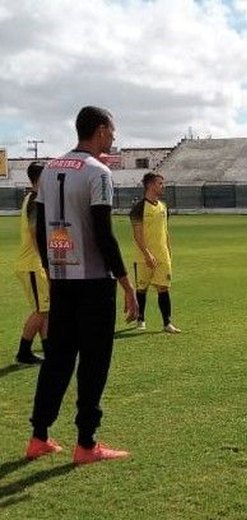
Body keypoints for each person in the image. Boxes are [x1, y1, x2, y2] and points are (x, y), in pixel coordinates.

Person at [26, 106, 139, 464]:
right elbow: (104, 234)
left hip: (62, 282)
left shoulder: (50, 169)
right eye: (112, 130)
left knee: (57, 360)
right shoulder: (98, 172)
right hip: (93, 283)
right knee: (94, 362)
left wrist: (52, 269)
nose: (115, 137)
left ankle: (38, 436)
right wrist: (126, 282)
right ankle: (86, 444)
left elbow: (41, 229)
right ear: (101, 130)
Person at [130, 172, 181, 333]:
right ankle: (141, 319)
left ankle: (167, 323)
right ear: (150, 185)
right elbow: (137, 235)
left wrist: (169, 251)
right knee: (142, 288)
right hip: (143, 257)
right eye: (160, 183)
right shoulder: (138, 208)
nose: (162, 186)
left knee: (163, 288)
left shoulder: (164, 207)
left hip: (162, 255)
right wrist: (147, 254)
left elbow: (165, 232)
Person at [13, 162, 49, 365]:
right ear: (40, 178)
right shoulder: (35, 199)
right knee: (41, 310)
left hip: (34, 263)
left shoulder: (33, 198)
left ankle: (49, 349)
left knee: (46, 309)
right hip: (33, 264)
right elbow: (36, 234)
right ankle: (23, 352)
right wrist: (45, 262)